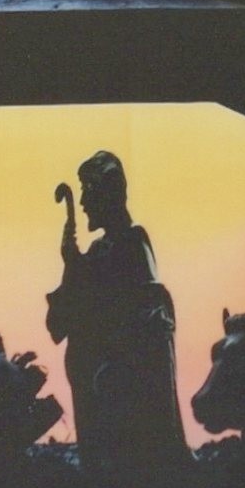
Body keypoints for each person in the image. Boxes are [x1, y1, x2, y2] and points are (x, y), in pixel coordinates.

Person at [45, 151, 184, 466]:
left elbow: (145, 316)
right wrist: (72, 265)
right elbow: (60, 323)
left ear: (106, 193)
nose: (82, 202)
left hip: (121, 400)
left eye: (88, 191)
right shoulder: (97, 252)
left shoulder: (133, 243)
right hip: (95, 401)